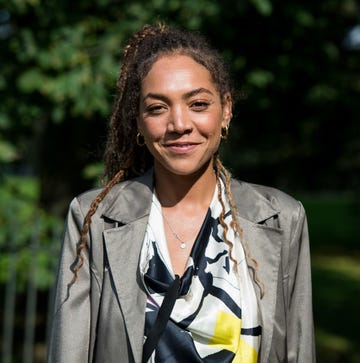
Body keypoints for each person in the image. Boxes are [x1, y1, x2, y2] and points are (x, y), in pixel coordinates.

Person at [46, 23, 316, 363]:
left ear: (226, 110)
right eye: (158, 108)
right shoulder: (95, 218)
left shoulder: (282, 217)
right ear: (140, 123)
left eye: (198, 104)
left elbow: (298, 352)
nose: (179, 124)